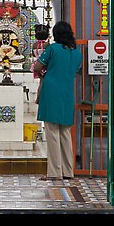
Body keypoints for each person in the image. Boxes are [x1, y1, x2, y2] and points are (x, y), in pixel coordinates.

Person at [33, 21, 82, 180]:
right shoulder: (77, 53)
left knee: (52, 133)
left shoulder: (52, 49)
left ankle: (54, 173)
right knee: (65, 133)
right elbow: (77, 70)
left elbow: (37, 67)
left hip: (52, 92)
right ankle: (68, 171)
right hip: (67, 94)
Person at [31, 23, 50, 104]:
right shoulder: (47, 44)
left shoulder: (34, 45)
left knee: (41, 81)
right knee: (43, 82)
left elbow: (32, 54)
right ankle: (40, 97)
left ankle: (39, 97)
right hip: (45, 65)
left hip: (36, 64)